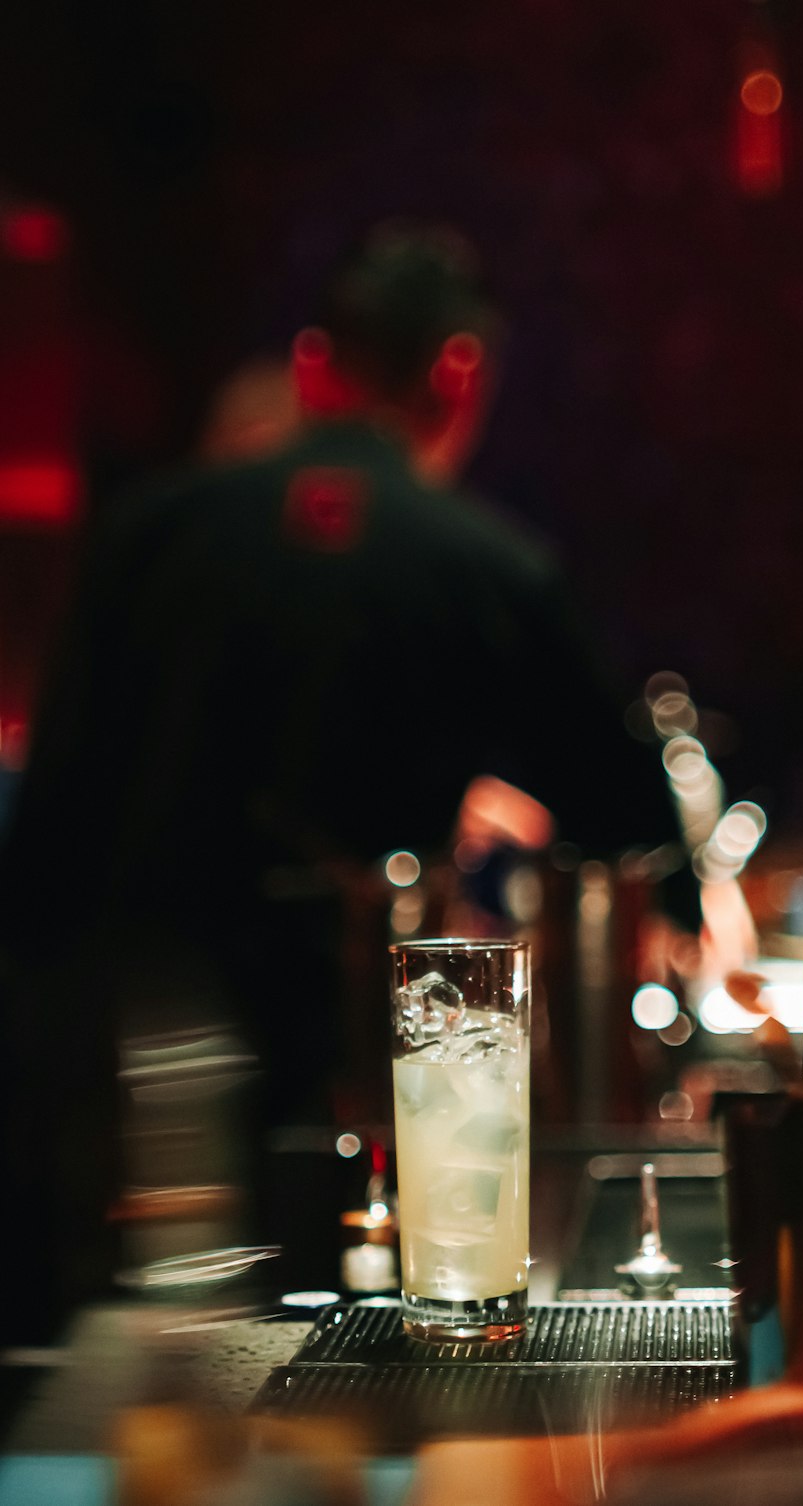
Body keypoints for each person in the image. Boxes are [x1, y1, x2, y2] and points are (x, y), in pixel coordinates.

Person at [0, 221, 704, 1334]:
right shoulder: (489, 564)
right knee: (320, 1361)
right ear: (458, 375)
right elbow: (630, 819)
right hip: (347, 1073)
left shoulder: (145, 533)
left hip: (118, 1069)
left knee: (131, 1390)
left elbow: (47, 827)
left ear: (315, 366)